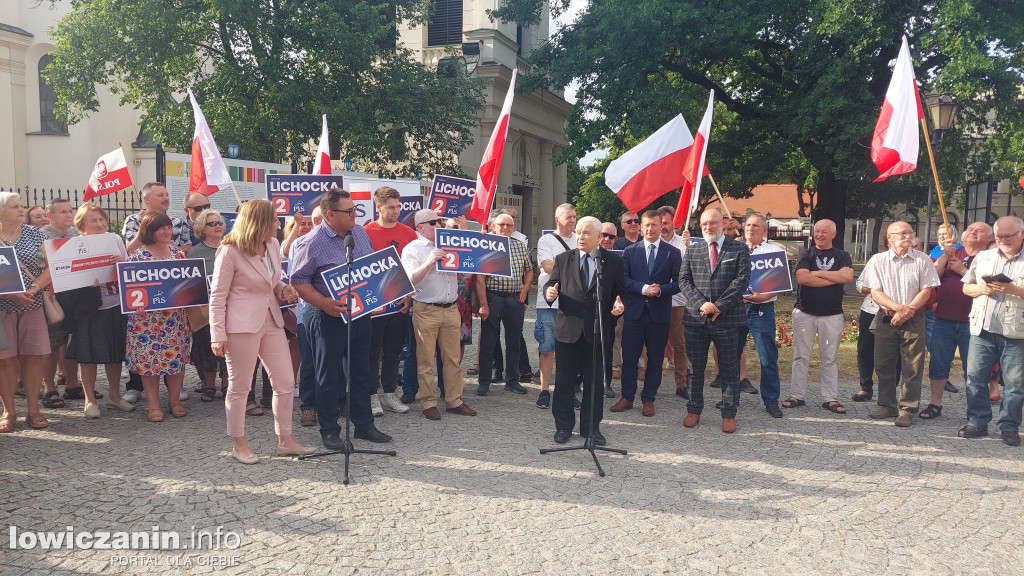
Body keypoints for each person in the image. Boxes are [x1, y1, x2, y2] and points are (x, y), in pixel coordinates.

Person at [209, 199, 311, 463]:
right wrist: (217, 334)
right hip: (240, 326)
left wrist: (283, 288)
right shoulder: (229, 250)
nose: (279, 224)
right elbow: (218, 296)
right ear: (260, 222)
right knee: (240, 386)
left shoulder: (273, 245)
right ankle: (239, 444)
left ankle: (285, 440)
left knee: (286, 382)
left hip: (271, 320)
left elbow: (273, 280)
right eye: (275, 219)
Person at [290, 188, 392, 448]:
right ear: (330, 214)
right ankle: (330, 429)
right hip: (327, 315)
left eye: (355, 209)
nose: (354, 215)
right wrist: (324, 303)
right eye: (349, 212)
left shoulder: (358, 233)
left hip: (359, 313)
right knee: (329, 374)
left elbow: (370, 267)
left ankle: (364, 425)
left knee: (361, 369)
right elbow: (298, 281)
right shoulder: (311, 241)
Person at [544, 216, 624, 444]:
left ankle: (591, 428)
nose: (580, 237)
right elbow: (553, 284)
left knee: (594, 384)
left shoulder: (612, 263)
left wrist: (620, 306)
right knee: (564, 383)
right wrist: (550, 293)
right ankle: (563, 426)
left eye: (586, 233)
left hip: (598, 332)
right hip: (568, 331)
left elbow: (621, 293)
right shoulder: (563, 259)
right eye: (578, 232)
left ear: (599, 237)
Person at [679, 208, 751, 433]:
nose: (708, 227)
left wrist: (719, 305)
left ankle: (729, 414)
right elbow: (684, 280)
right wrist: (702, 304)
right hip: (696, 319)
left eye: (712, 223)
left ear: (723, 223)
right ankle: (693, 409)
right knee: (694, 369)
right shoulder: (693, 251)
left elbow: (741, 280)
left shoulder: (739, 249)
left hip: (727, 319)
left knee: (729, 370)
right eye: (704, 224)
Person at [861, 221, 940, 427]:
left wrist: (907, 312)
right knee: (884, 364)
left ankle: (907, 409)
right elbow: (875, 291)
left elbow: (927, 290)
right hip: (886, 317)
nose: (907, 236)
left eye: (910, 232)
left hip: (914, 318)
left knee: (912, 365)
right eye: (902, 233)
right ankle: (887, 405)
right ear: (889, 237)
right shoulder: (877, 260)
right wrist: (898, 308)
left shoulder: (923, 259)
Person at [401, 209, 477, 420]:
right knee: (425, 360)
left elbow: (471, 263)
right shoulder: (412, 249)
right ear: (420, 227)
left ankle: (454, 400)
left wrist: (467, 236)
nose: (438, 225)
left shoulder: (450, 243)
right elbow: (410, 279)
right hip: (426, 309)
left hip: (451, 308)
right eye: (433, 222)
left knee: (452, 359)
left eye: (440, 221)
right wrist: (429, 261)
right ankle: (429, 402)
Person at [121, 182, 193, 404]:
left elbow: (188, 287)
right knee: (147, 362)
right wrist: (135, 304)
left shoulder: (178, 256)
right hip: (145, 320)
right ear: (148, 230)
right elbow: (130, 291)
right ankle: (153, 405)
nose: (167, 231)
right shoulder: (137, 258)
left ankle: (174, 402)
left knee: (177, 361)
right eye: (162, 228)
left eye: (169, 228)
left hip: (174, 318)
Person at [58, 202, 132, 415]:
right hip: (89, 306)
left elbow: (128, 272)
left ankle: (114, 397)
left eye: (102, 219)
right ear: (82, 224)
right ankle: (89, 400)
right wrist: (84, 279)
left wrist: (122, 263)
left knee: (115, 353)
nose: (99, 223)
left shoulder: (115, 239)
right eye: (93, 220)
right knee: (87, 354)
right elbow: (68, 276)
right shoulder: (75, 244)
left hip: (115, 302)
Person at [959, 216, 1024, 446]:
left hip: (1016, 332)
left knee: (1015, 385)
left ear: (1021, 234)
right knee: (974, 378)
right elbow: (966, 287)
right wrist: (980, 288)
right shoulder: (984, 257)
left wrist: (1013, 289)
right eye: (999, 236)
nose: (1003, 240)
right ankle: (977, 422)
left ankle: (1009, 427)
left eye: (1008, 236)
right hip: (983, 327)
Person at [612, 210, 682, 417]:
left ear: (662, 226)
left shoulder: (672, 253)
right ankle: (627, 396)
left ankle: (649, 398)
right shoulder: (631, 252)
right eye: (647, 225)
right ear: (641, 227)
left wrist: (660, 290)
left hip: (659, 314)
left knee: (655, 359)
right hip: (634, 314)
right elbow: (624, 280)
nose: (650, 229)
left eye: (654, 225)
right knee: (630, 356)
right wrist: (644, 289)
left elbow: (679, 283)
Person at [920, 222, 991, 420]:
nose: (973, 233)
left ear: (989, 238)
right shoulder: (953, 254)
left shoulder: (990, 258)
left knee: (975, 368)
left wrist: (962, 271)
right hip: (944, 318)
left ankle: (975, 411)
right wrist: (944, 254)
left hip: (975, 322)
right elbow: (932, 277)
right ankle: (935, 404)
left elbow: (990, 286)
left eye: (979, 231)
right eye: (970, 230)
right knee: (938, 363)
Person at [784, 219, 854, 415]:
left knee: (830, 358)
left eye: (824, 232)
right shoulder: (806, 253)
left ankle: (830, 398)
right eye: (817, 231)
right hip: (804, 312)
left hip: (832, 315)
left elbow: (847, 278)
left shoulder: (843, 255)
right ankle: (797, 395)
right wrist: (833, 276)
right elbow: (802, 279)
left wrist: (818, 273)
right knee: (800, 356)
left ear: (833, 234)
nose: (820, 235)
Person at [0, 192, 55, 431]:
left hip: (32, 305)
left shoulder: (34, 234)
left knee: (33, 358)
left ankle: (34, 410)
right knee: (6, 362)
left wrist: (33, 289)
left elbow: (49, 265)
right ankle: (8, 412)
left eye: (22, 206)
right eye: (14, 207)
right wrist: (9, 294)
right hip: (2, 309)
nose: (21, 210)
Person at [363, 186, 415, 417]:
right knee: (372, 353)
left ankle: (389, 394)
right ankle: (371, 396)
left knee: (394, 352)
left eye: (398, 206)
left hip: (400, 302)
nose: (396, 211)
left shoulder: (409, 233)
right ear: (379, 207)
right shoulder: (364, 233)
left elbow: (413, 269)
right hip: (374, 304)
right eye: (391, 207)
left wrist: (408, 296)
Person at [475, 213, 534, 396]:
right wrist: (483, 304)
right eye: (502, 224)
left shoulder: (519, 246)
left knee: (514, 341)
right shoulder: (485, 245)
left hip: (514, 299)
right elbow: (479, 278)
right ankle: (484, 381)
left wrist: (525, 289)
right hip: (493, 297)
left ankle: (512, 379)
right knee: (488, 342)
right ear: (493, 225)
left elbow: (529, 270)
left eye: (510, 224)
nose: (506, 228)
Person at [39, 198, 83, 409]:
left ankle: (73, 383)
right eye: (63, 211)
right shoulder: (41, 236)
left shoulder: (75, 234)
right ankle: (49, 388)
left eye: (70, 210)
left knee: (72, 341)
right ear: (49, 216)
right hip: (53, 297)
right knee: (52, 344)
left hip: (74, 294)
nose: (68, 215)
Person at [534, 203, 577, 409]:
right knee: (547, 349)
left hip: (574, 303)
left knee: (569, 350)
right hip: (549, 303)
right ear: (557, 220)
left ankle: (566, 391)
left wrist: (561, 268)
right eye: (568, 217)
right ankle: (544, 391)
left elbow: (557, 266)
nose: (572, 220)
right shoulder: (546, 240)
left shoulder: (581, 238)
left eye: (574, 217)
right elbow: (547, 266)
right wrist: (575, 270)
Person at [286, 206, 322, 427]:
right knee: (309, 361)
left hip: (338, 313)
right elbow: (296, 281)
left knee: (337, 361)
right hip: (308, 313)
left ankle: (337, 401)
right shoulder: (299, 244)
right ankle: (308, 406)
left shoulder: (346, 241)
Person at [187, 209, 228, 402]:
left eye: (219, 222)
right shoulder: (195, 252)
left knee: (228, 346)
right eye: (212, 223)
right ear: (202, 229)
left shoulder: (231, 246)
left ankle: (228, 384)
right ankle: (210, 386)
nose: (218, 226)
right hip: (204, 309)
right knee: (206, 346)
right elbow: (191, 281)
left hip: (229, 306)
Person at [658, 206, 690, 400]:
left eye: (666, 223)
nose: (663, 226)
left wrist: (688, 246)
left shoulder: (684, 243)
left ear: (674, 224)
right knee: (654, 343)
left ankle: (682, 384)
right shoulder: (652, 243)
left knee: (680, 344)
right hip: (657, 300)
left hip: (679, 301)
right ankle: (650, 383)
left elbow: (692, 269)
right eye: (660, 223)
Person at [612, 210, 645, 381]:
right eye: (629, 221)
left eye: (636, 221)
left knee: (638, 334)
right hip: (620, 295)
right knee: (617, 332)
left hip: (639, 294)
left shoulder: (645, 242)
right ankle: (616, 366)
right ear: (622, 226)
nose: (633, 224)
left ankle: (640, 367)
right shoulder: (617, 244)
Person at [599, 222, 623, 397]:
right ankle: (578, 381)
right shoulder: (582, 256)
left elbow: (620, 290)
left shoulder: (616, 261)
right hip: (583, 313)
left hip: (607, 313)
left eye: (611, 236)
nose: (606, 239)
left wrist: (619, 303)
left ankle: (606, 383)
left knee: (606, 348)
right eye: (603, 234)